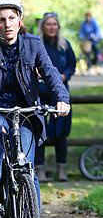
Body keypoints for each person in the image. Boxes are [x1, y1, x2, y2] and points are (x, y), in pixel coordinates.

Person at [0, 0, 70, 210]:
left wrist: (62, 98)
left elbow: (50, 72)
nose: (7, 24)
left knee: (27, 168)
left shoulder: (33, 44)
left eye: (12, 18)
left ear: (20, 18)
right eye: (1, 19)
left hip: (25, 113)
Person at [35, 12, 76, 182]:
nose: (51, 27)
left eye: (54, 24)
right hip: (40, 91)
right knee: (39, 129)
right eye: (48, 24)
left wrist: (64, 76)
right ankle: (40, 170)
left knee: (61, 132)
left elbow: (72, 64)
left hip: (60, 93)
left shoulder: (64, 45)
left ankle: (61, 169)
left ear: (58, 27)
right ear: (43, 26)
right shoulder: (37, 44)